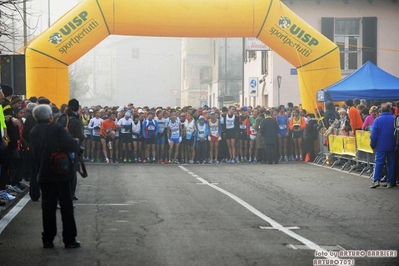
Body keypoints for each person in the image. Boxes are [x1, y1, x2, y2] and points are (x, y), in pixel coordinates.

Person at [29, 104, 81, 249]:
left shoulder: (34, 131)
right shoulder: (57, 129)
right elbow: (71, 145)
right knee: (66, 206)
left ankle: (48, 239)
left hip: (44, 173)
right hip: (61, 173)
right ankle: (69, 239)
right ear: (50, 116)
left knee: (47, 207)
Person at [370, 103, 396, 188]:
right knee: (391, 163)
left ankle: (376, 180)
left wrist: (372, 144)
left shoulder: (377, 120)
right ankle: (390, 182)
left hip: (380, 145)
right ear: (390, 109)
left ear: (381, 110)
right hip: (392, 144)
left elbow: (373, 135)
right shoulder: (394, 119)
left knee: (379, 163)